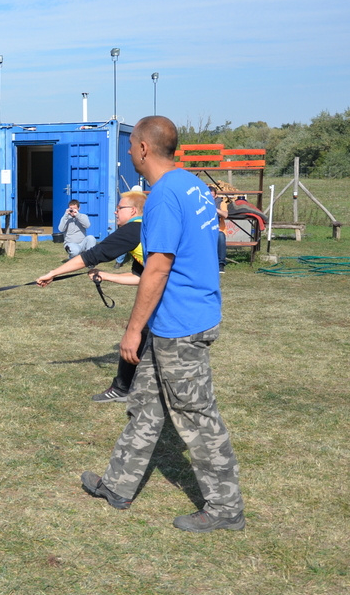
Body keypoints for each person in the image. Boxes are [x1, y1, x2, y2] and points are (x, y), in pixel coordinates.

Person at [79, 115, 246, 533]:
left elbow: (157, 268)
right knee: (146, 406)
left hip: (180, 325)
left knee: (197, 418)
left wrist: (133, 329)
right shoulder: (192, 184)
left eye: (132, 142)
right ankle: (118, 485)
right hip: (182, 317)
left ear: (143, 148)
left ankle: (226, 510)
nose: (131, 149)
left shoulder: (164, 196)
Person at [36, 190, 147, 403]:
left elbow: (91, 256)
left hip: (174, 294)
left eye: (119, 208)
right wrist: (106, 276)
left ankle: (126, 389)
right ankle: (126, 387)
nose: (115, 212)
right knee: (140, 333)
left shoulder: (134, 229)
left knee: (138, 334)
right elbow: (141, 276)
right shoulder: (148, 228)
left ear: (133, 211)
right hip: (174, 291)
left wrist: (53, 273)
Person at [209, 185, 228, 272]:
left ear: (215, 195)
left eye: (212, 196)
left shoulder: (221, 203)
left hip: (218, 229)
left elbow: (225, 215)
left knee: (220, 236)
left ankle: (221, 263)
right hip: (205, 230)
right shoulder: (201, 203)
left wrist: (214, 209)